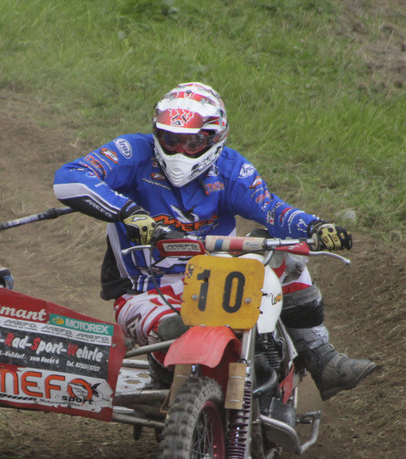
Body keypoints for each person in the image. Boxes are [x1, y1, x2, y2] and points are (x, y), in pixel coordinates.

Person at [52, 81, 375, 400]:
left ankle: (321, 358)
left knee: (288, 257)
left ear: (214, 138)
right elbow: (70, 176)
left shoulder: (231, 170)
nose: (180, 151)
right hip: (143, 292)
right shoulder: (133, 152)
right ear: (156, 133)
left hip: (216, 280)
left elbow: (273, 210)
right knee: (174, 330)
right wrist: (128, 213)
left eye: (192, 142)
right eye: (170, 140)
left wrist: (315, 226)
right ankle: (163, 380)